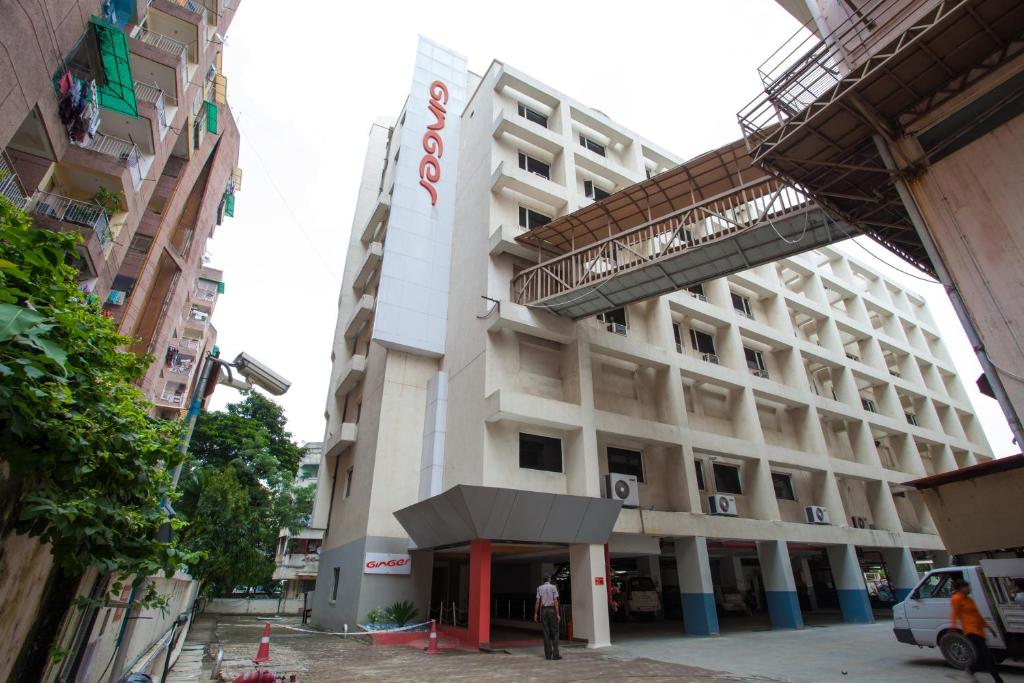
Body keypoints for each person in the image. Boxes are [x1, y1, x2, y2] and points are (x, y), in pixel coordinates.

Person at [950, 579, 1003, 682]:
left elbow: (977, 615)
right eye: (966, 587)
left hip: (979, 630)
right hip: (970, 631)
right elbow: (954, 614)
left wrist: (988, 627)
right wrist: (952, 628)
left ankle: (970, 670)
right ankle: (998, 680)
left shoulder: (969, 599)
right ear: (961, 588)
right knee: (988, 657)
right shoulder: (956, 599)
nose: (968, 589)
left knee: (982, 657)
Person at [533, 575, 561, 660]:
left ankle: (548, 655)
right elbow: (556, 600)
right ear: (549, 579)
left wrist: (536, 613)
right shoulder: (553, 587)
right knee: (555, 632)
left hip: (543, 610)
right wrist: (558, 614)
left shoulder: (539, 588)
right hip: (552, 610)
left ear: (543, 580)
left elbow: (538, 601)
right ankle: (555, 655)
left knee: (546, 632)